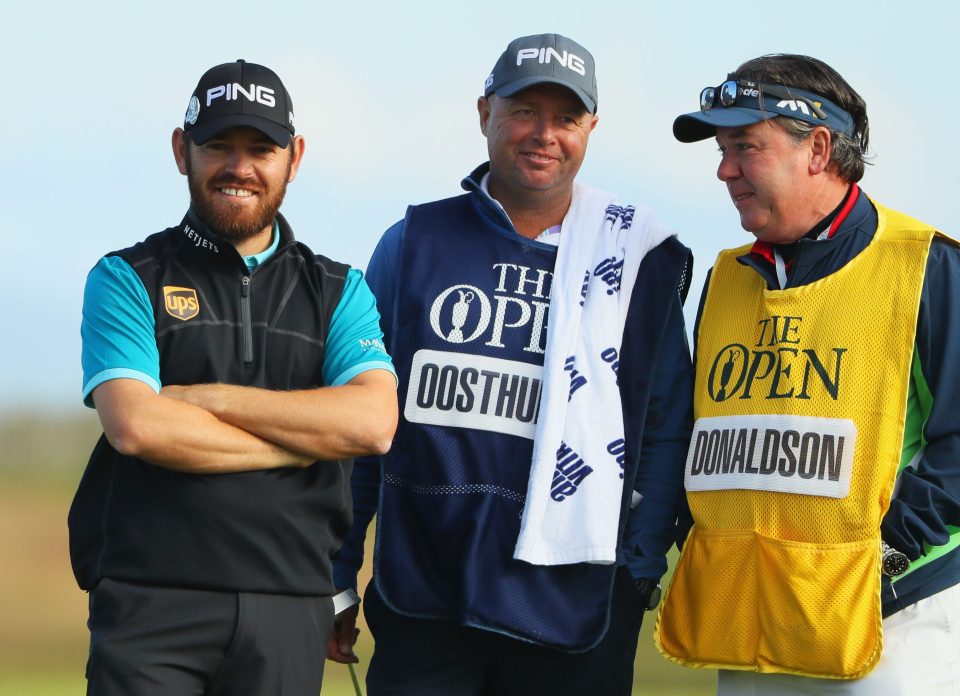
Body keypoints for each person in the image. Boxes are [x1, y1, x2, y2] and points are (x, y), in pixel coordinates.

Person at [328, 34, 693, 695]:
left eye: (566, 118)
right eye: (525, 110)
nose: (544, 134)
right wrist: (335, 571)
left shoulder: (637, 258)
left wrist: (636, 570)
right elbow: (360, 421)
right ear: (484, 112)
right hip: (424, 596)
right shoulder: (414, 241)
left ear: (591, 129)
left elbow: (665, 425)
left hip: (576, 606)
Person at [69, 59, 398, 696]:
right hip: (149, 602)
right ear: (180, 150)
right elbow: (137, 426)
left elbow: (373, 422)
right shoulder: (125, 277)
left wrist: (210, 399)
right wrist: (304, 438)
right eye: (218, 145)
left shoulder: (339, 289)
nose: (239, 167)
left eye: (261, 149)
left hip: (289, 603)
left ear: (294, 158)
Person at [656, 53, 960, 694]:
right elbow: (697, 435)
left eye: (744, 146)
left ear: (818, 148)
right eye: (721, 148)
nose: (724, 169)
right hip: (746, 621)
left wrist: (888, 556)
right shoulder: (724, 277)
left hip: (888, 625)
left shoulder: (928, 267)